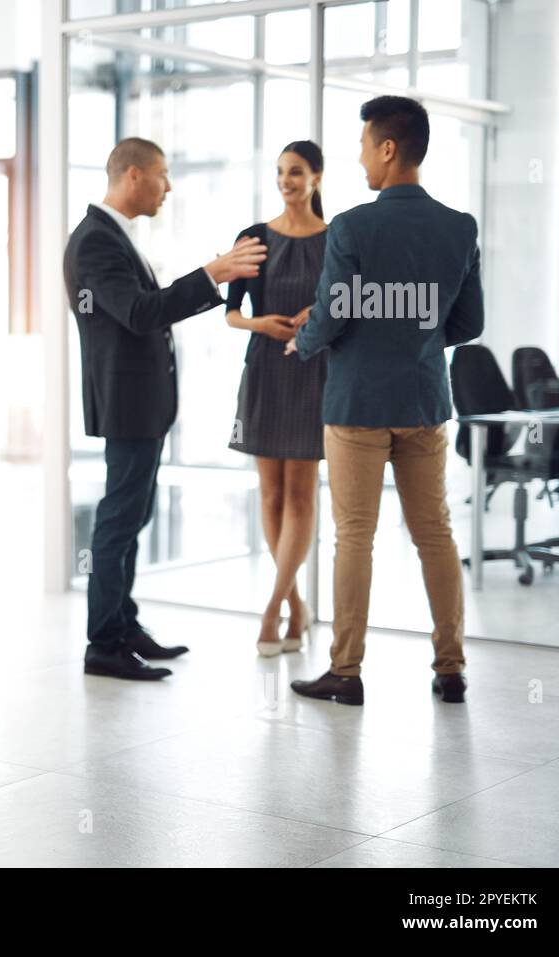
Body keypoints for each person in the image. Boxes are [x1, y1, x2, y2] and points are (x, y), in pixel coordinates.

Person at [287, 95, 484, 706]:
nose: (361, 157)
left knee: (354, 536)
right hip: (424, 400)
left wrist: (304, 339)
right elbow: (469, 323)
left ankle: (346, 673)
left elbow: (334, 314)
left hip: (356, 406)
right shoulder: (459, 227)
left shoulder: (351, 226)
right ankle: (450, 669)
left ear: (389, 148)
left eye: (367, 144)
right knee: (436, 534)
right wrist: (417, 338)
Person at [64, 137, 267, 681]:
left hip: (141, 404)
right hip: (127, 404)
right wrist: (213, 274)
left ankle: (123, 626)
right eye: (162, 174)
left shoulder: (112, 237)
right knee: (119, 519)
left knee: (133, 516)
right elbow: (137, 313)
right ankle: (103, 644)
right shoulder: (95, 242)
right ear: (133, 176)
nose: (168, 186)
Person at [225, 141, 328, 656]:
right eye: (281, 172)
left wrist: (319, 314)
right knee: (270, 494)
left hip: (313, 370)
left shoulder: (336, 240)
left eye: (297, 172)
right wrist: (258, 323)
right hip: (265, 366)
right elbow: (231, 313)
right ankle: (296, 606)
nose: (286, 180)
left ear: (317, 178)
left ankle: (272, 608)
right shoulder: (255, 237)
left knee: (302, 494)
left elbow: (346, 303)